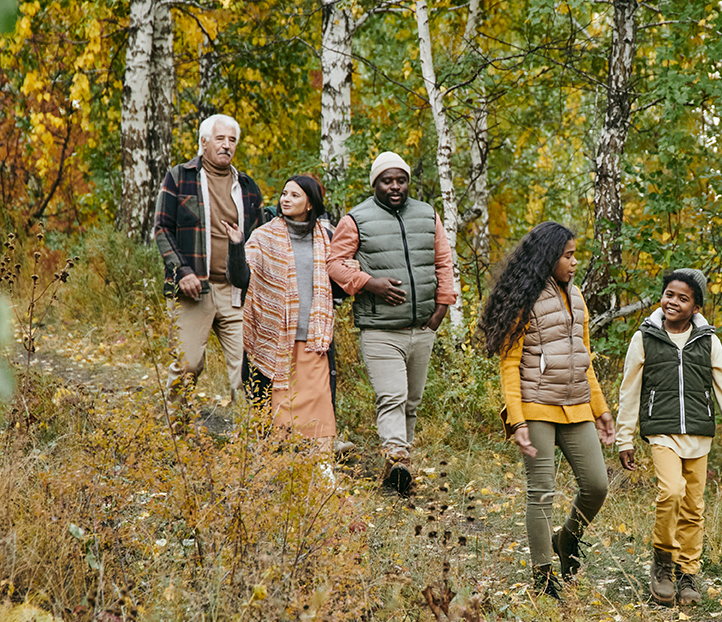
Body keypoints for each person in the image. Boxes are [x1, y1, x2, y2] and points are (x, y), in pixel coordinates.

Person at [480, 222, 615, 598]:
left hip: (576, 404)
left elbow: (584, 358)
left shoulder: (577, 295)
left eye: (575, 255)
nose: (574, 262)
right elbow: (510, 365)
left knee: (597, 486)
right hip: (536, 406)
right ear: (548, 257)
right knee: (541, 493)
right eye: (568, 256)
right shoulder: (524, 298)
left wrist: (600, 408)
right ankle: (543, 578)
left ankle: (567, 539)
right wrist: (518, 419)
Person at [614, 269, 722, 606]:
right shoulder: (644, 338)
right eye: (669, 295)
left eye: (683, 298)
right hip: (661, 431)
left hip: (698, 434)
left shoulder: (708, 342)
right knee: (671, 491)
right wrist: (624, 438)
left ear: (696, 307)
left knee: (693, 506)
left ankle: (687, 573)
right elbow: (629, 391)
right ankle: (663, 563)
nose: (673, 302)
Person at [326, 152, 457, 494]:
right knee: (393, 396)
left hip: (422, 327)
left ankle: (401, 467)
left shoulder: (427, 214)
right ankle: (396, 455)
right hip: (380, 328)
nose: (395, 186)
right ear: (376, 184)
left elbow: (443, 262)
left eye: (401, 180)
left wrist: (443, 305)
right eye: (387, 181)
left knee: (411, 400)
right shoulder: (356, 219)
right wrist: (370, 283)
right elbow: (335, 264)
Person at [154, 114, 264, 404]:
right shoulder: (179, 177)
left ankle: (248, 431)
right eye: (220, 138)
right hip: (194, 289)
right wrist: (182, 271)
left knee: (248, 368)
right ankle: (177, 425)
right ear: (203, 142)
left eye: (232, 140)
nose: (227, 145)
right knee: (187, 365)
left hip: (235, 291)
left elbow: (259, 238)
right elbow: (162, 229)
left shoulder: (248, 186)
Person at [227, 175, 336, 444]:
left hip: (314, 340)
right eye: (284, 194)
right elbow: (241, 279)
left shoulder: (326, 238)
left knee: (319, 412)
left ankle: (321, 463)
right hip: (275, 341)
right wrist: (236, 245)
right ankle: (281, 464)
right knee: (280, 417)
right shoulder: (263, 236)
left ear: (310, 204)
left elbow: (338, 285)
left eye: (295, 195)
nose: (286, 199)